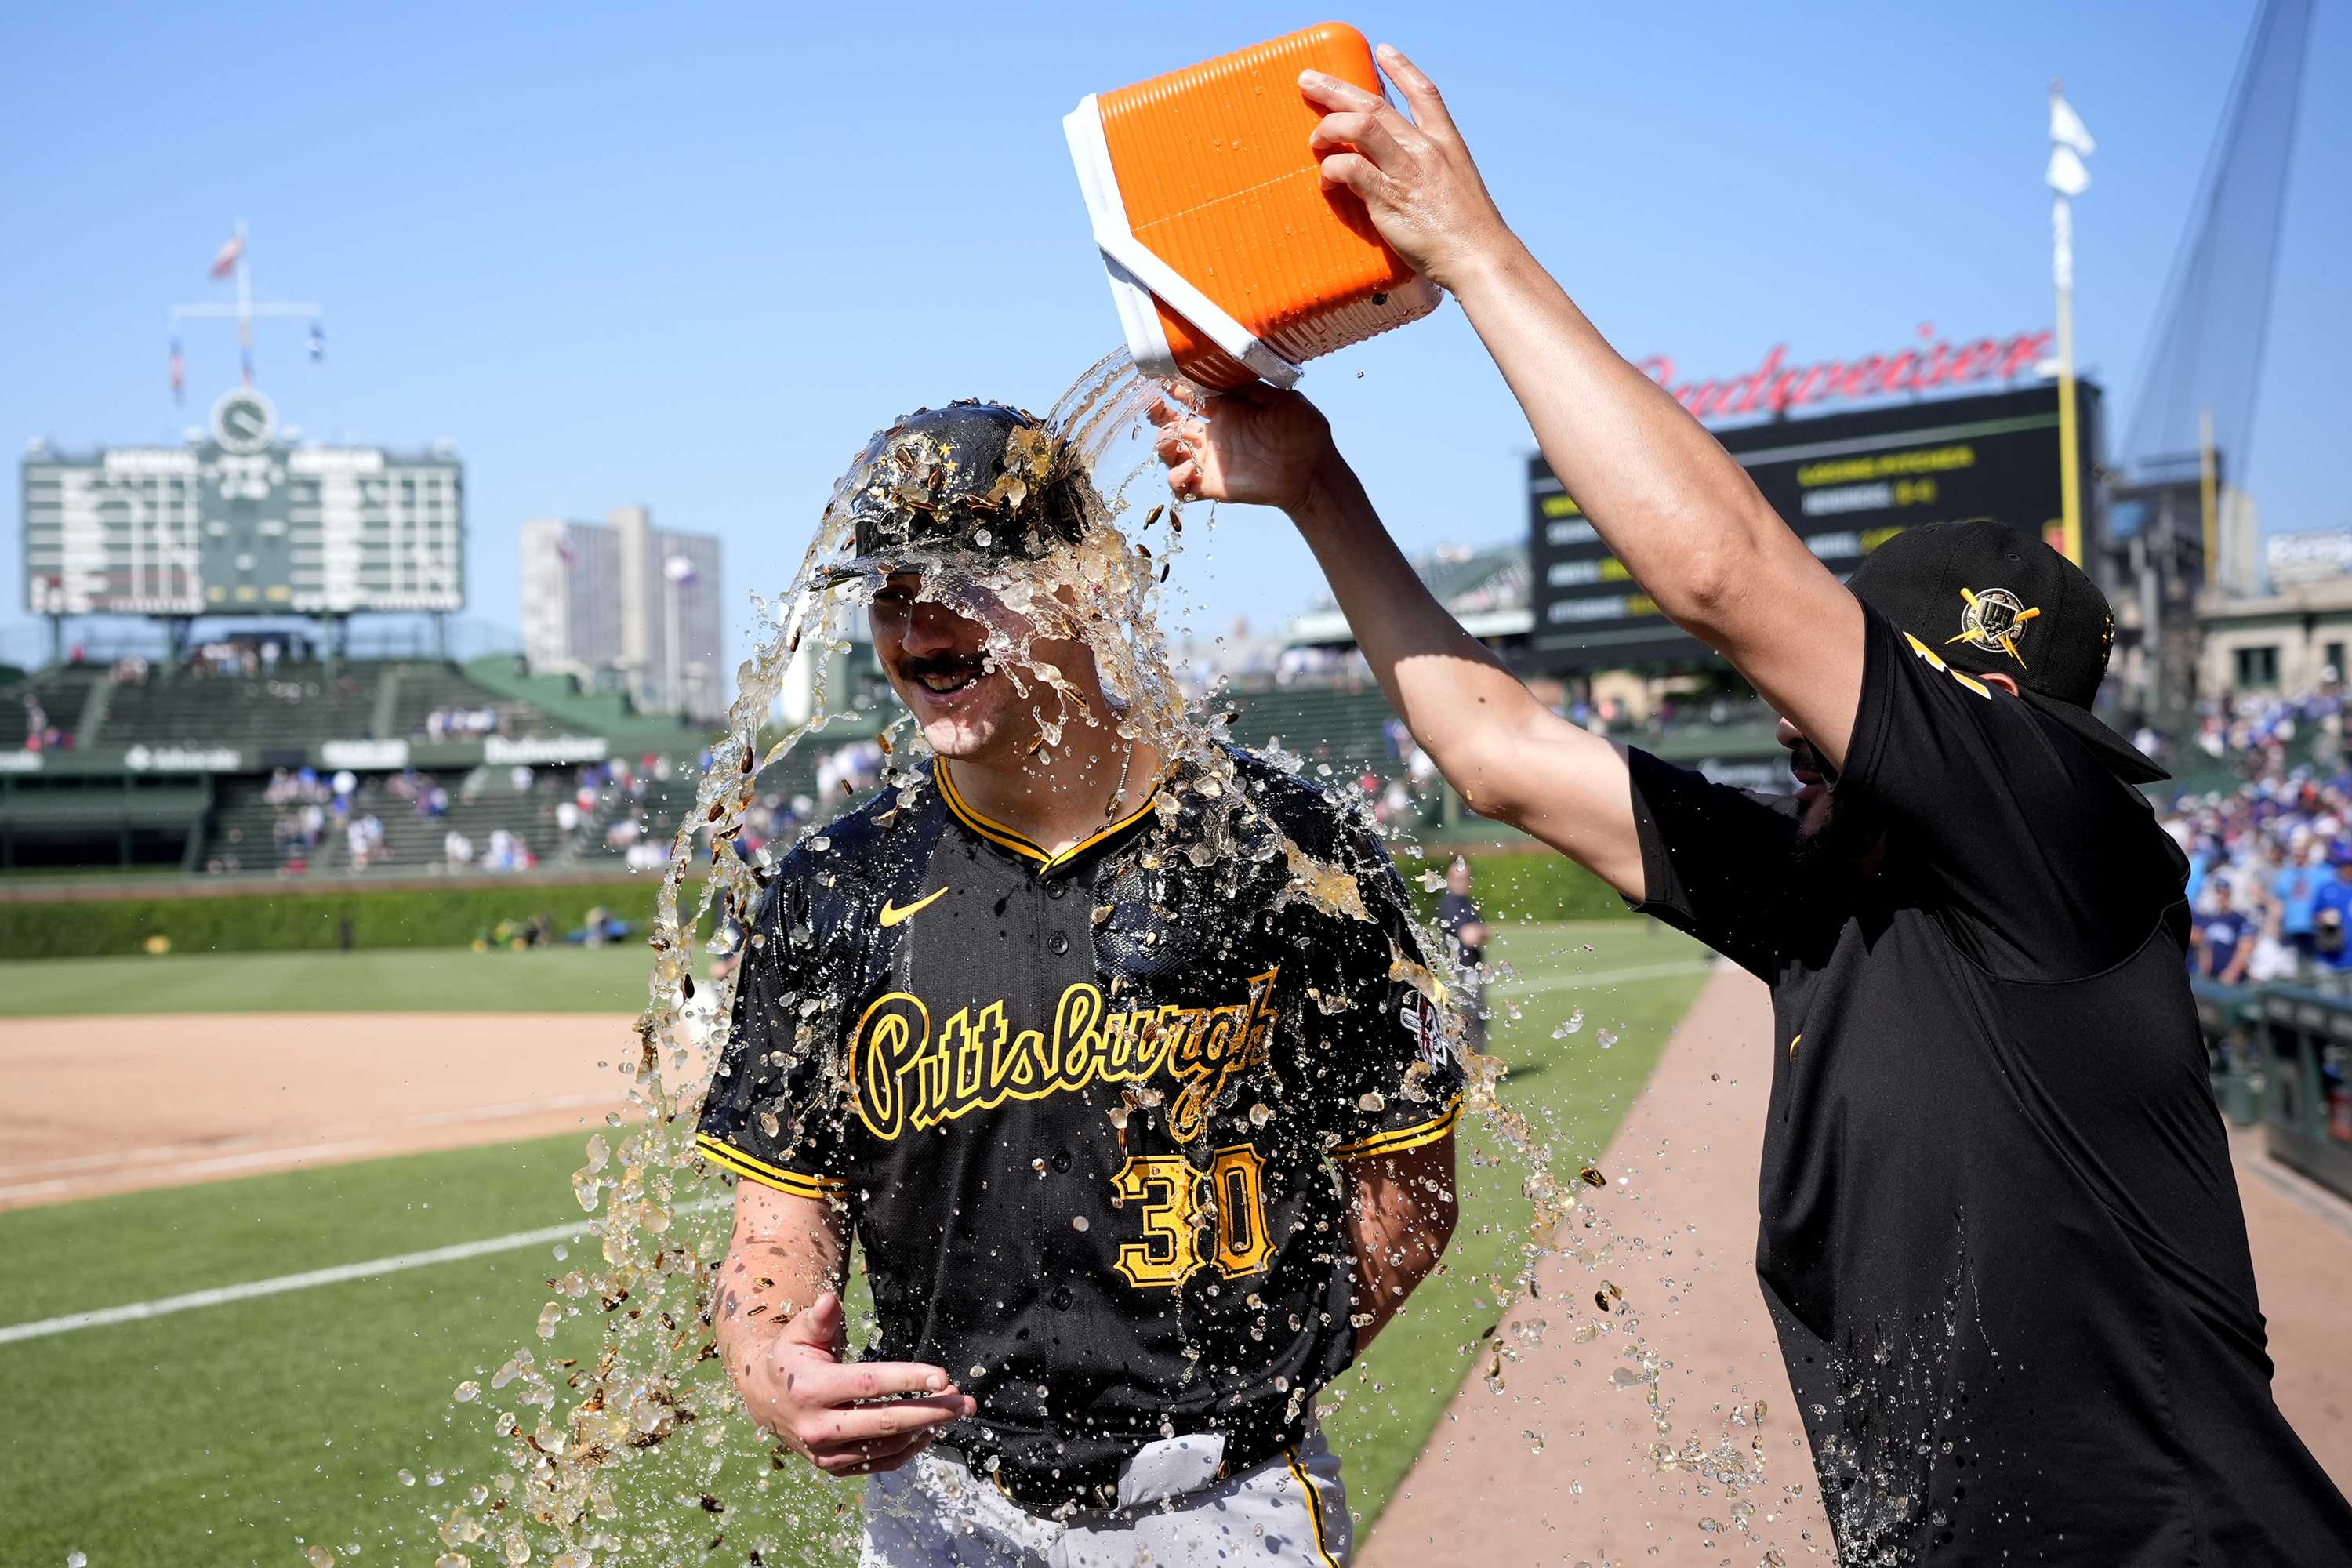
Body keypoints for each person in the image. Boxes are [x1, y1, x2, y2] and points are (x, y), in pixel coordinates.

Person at [1149, 43, 2352, 1563]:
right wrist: (1316, 480)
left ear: (1983, 720)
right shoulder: (1829, 893)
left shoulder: (2064, 838)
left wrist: (1473, 249)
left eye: (1853, 686)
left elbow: (1723, 572)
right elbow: (1501, 751)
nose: (1799, 712)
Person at [696, 402, 1463, 1566]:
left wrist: (1262, 1382)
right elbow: (780, 1223)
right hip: (942, 1506)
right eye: (893, 592)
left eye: (967, 578)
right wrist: (770, 1362)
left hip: (1231, 1501)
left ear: (1088, 585)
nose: (925, 629)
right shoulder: (831, 889)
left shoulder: (1283, 848)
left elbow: (1409, 1180)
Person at [1432, 857, 1489, 1053]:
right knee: (1469, 1018)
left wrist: (1480, 931)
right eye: (1460, 879)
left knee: (1478, 1018)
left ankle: (1475, 1064)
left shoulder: (1466, 903)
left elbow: (1483, 932)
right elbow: (1470, 936)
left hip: (1472, 968)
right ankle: (1469, 1066)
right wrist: (1479, 931)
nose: (1465, 883)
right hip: (1462, 970)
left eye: (1467, 878)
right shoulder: (1450, 905)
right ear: (1449, 879)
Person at [2194, 881, 2255, 984]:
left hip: (2232, 980)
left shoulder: (2238, 919)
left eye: (2225, 894)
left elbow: (2246, 946)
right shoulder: (2208, 919)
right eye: (2218, 893)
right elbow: (2200, 942)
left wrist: (2232, 971)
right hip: (2209, 977)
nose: (2221, 897)